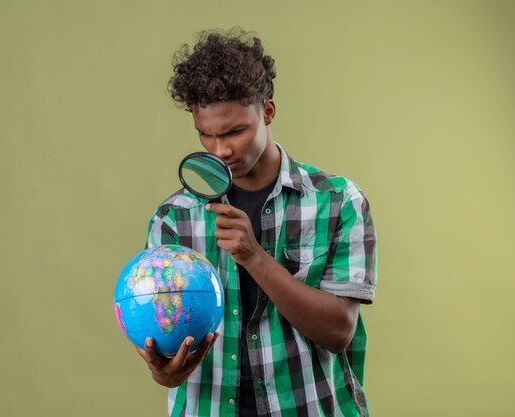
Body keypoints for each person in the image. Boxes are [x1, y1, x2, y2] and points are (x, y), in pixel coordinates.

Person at [136, 28, 378, 417]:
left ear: (267, 112)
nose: (221, 150)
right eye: (206, 135)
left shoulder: (338, 202)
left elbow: (339, 332)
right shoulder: (173, 219)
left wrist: (254, 257)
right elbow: (166, 351)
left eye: (235, 131)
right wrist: (165, 373)